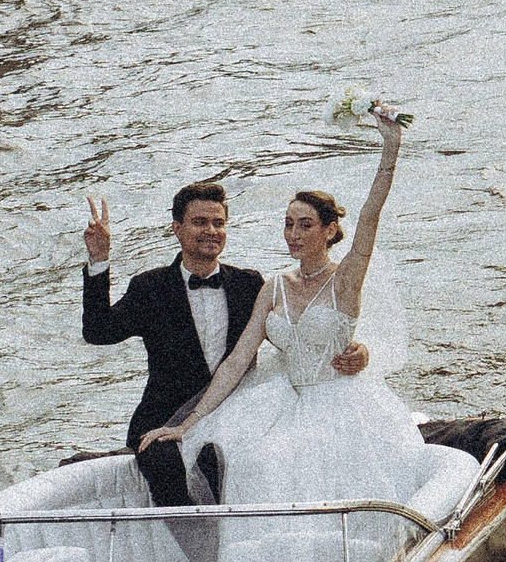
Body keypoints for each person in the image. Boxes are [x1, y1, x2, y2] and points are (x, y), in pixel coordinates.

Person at [138, 109, 430, 514]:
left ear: (329, 230)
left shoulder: (345, 281)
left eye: (305, 225)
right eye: (288, 224)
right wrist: (187, 424)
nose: (293, 234)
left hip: (343, 406)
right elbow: (236, 361)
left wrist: (390, 147)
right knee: (259, 463)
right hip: (287, 404)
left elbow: (370, 216)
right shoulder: (273, 287)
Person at [82, 178, 369, 507]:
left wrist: (357, 351)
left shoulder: (249, 285)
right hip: (166, 417)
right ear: (177, 229)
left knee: (263, 463)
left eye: (218, 223)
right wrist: (99, 260)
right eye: (200, 222)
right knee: (166, 464)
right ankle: (196, 541)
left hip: (239, 414)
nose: (211, 231)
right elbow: (98, 331)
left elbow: (301, 336)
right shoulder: (150, 287)